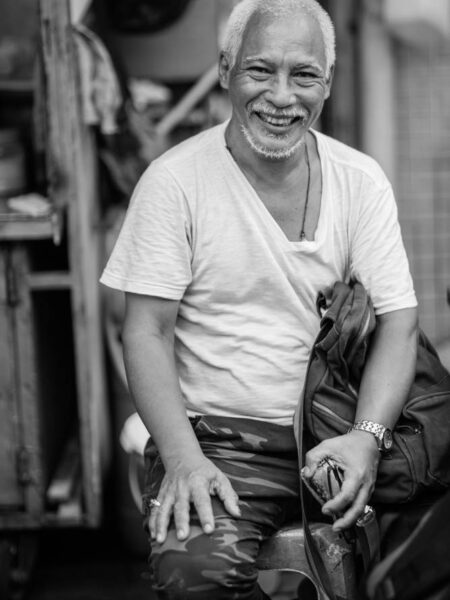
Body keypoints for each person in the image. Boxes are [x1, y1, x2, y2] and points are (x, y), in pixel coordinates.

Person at [100, 0, 419, 598]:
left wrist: (367, 437)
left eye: (304, 75)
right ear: (225, 69)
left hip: (330, 434)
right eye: (259, 71)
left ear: (328, 81)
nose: (281, 97)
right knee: (196, 574)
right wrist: (182, 458)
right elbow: (143, 332)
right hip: (213, 440)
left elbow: (399, 324)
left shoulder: (360, 180)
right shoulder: (175, 183)